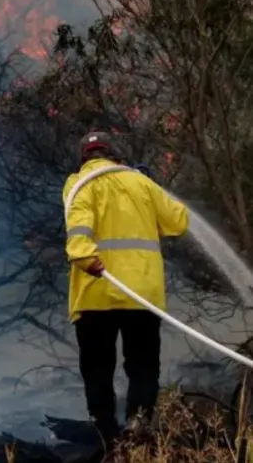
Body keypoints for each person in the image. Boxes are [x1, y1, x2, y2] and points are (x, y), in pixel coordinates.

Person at [62, 132, 189, 444]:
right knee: (143, 367)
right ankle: (138, 426)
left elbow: (78, 224)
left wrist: (84, 257)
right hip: (141, 294)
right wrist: (148, 185)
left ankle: (106, 434)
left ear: (85, 157)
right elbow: (178, 221)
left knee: (97, 370)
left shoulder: (79, 182)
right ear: (114, 155)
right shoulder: (141, 183)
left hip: (95, 293)